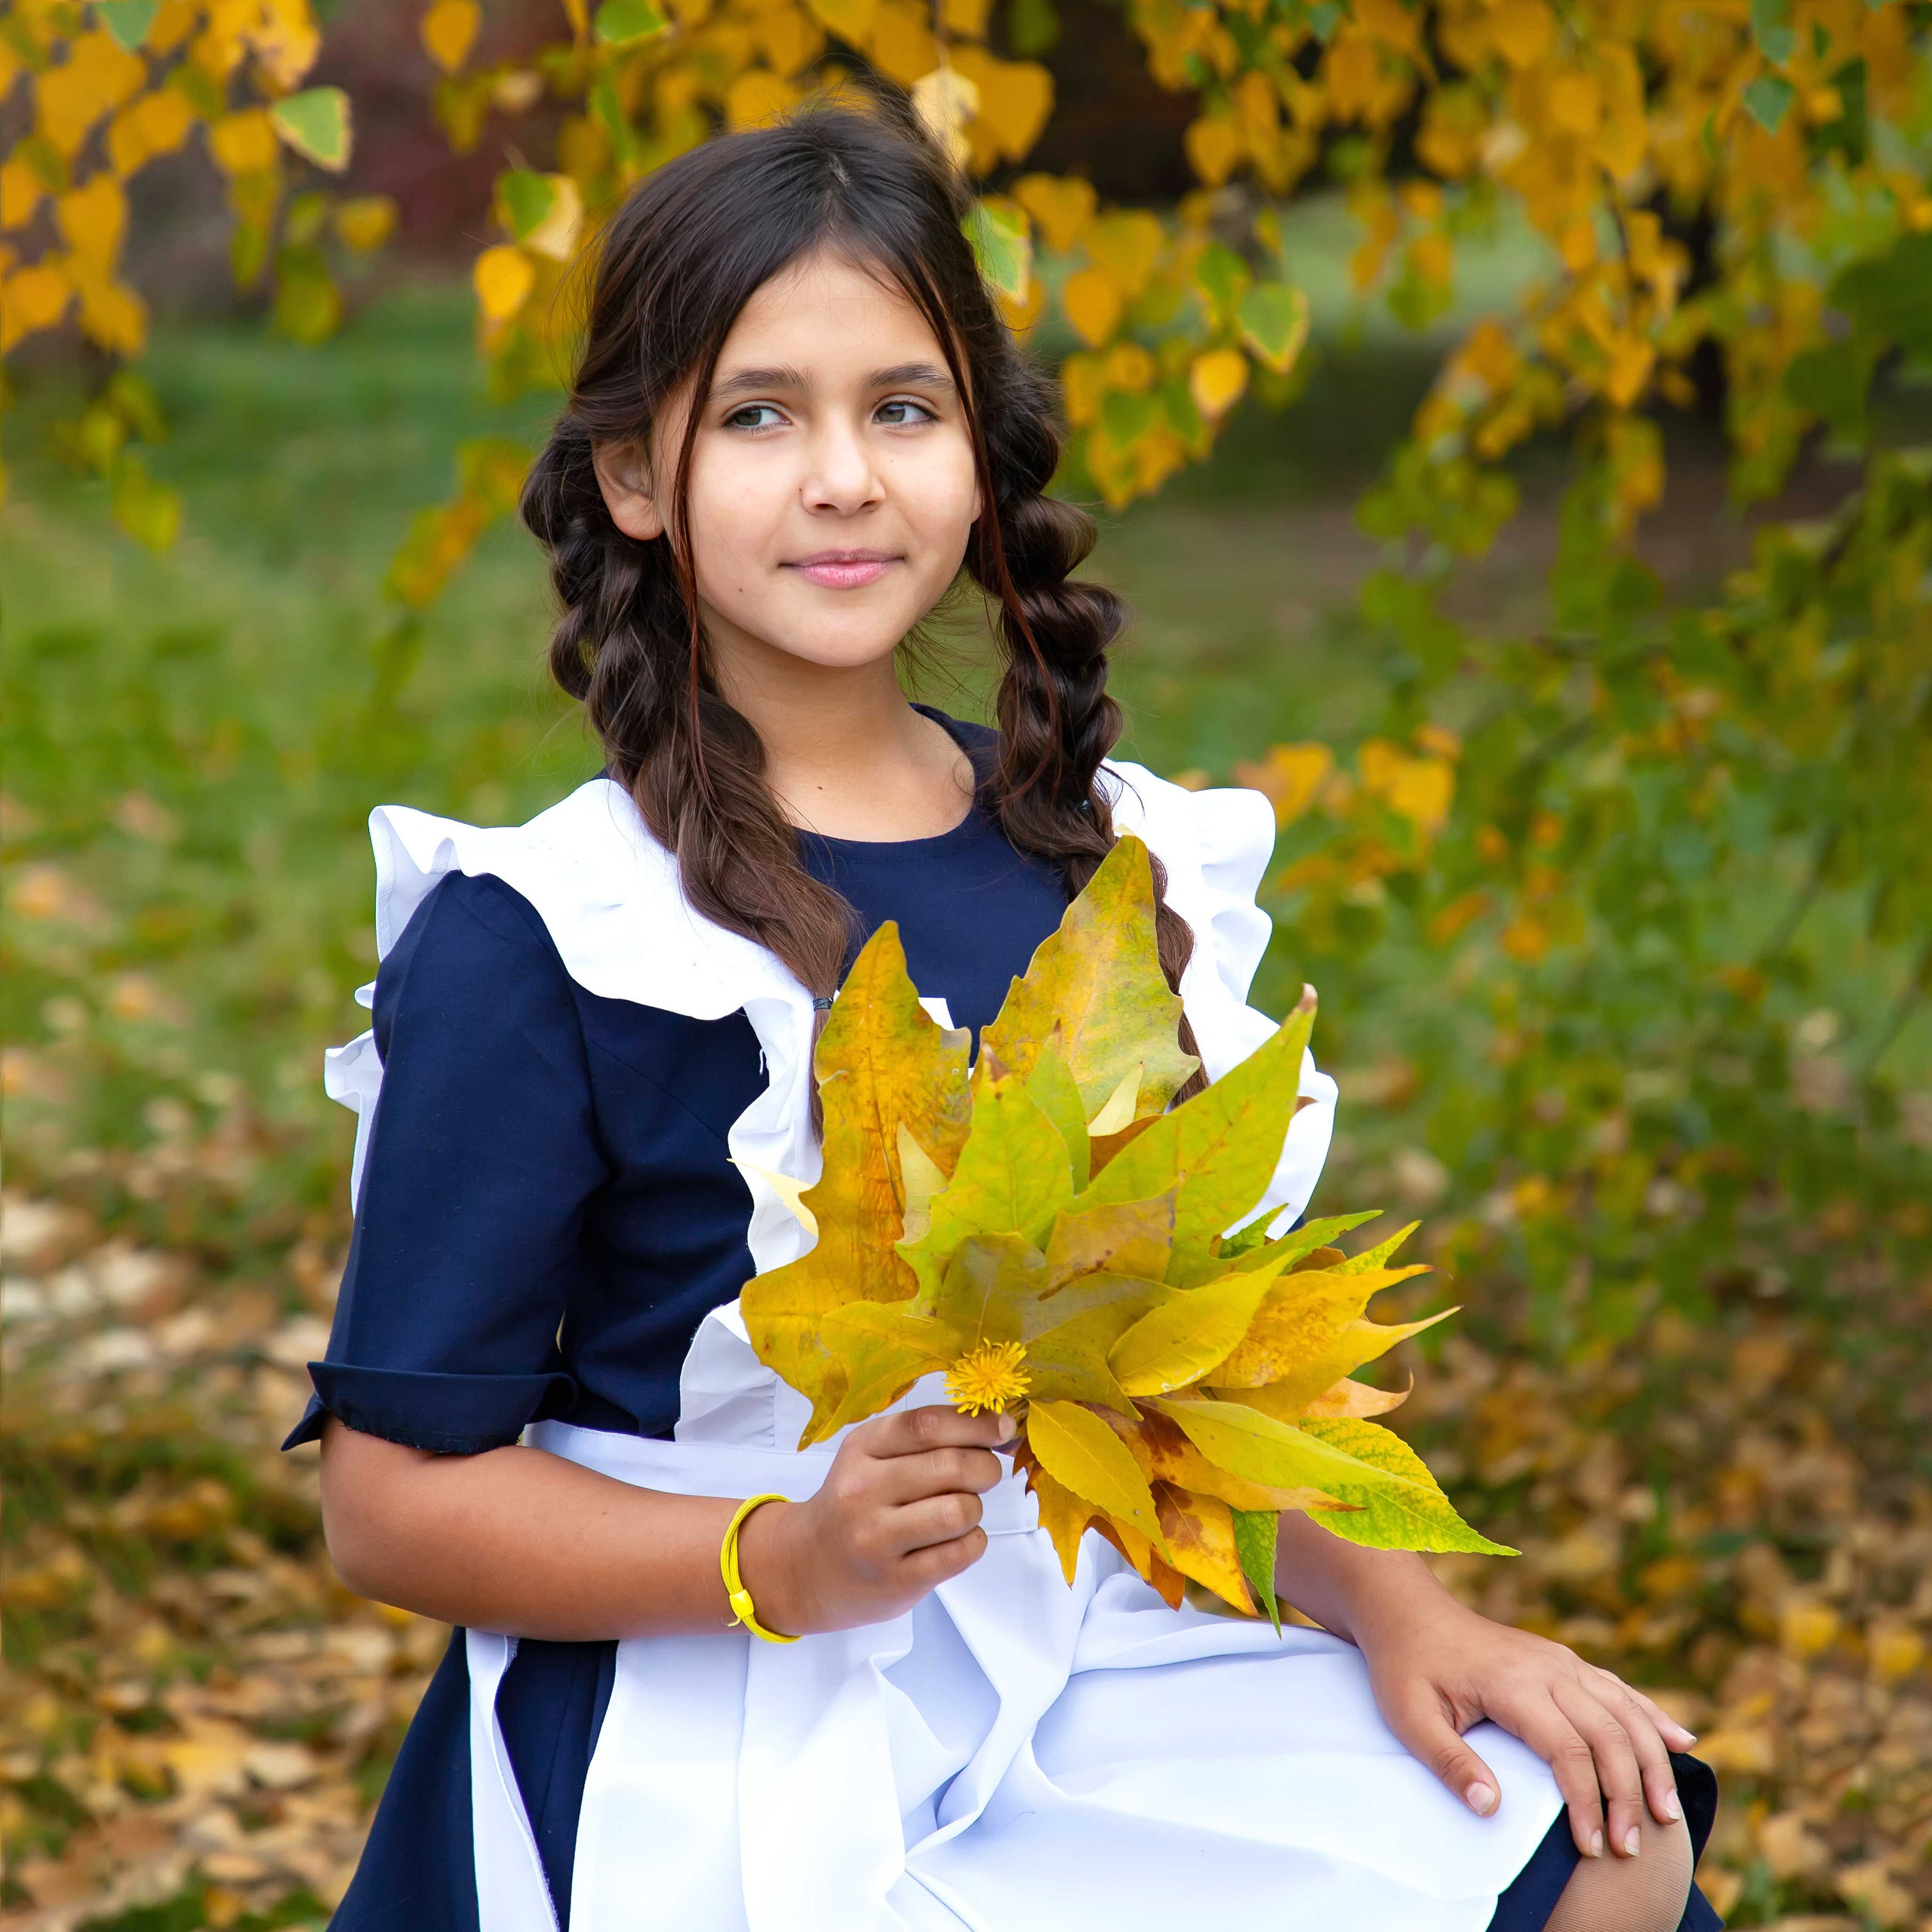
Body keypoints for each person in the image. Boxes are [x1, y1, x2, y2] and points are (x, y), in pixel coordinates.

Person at [289, 98, 1720, 1932]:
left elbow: (1190, 1375)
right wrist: (782, 1556)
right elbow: (391, 1503)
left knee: (1605, 1843)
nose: (842, 476)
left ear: (979, 454)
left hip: (1073, 1653)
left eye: (902, 407)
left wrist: (1408, 1606)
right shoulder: (557, 934)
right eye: (757, 415)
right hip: (708, 1702)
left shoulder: (1096, 862)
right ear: (636, 477)